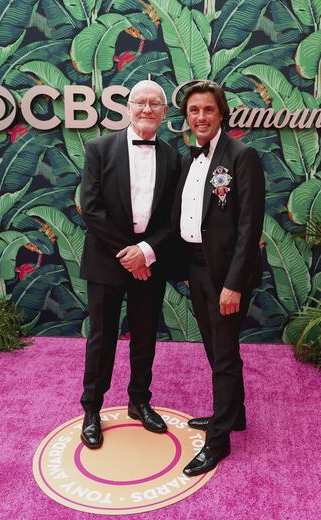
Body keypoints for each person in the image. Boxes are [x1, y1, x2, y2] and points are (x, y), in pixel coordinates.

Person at [80, 80, 180, 448]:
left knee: (144, 336)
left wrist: (147, 252)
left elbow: (173, 216)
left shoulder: (173, 157)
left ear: (165, 112)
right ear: (128, 106)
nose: (147, 109)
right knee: (102, 338)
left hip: (149, 263)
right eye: (141, 102)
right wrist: (129, 253)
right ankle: (92, 409)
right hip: (109, 260)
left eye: (156, 104)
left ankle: (139, 400)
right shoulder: (99, 148)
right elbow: (91, 209)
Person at [172, 80, 265, 475]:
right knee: (214, 348)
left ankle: (218, 441)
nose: (201, 117)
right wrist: (192, 271)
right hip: (196, 266)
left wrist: (233, 283)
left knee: (224, 354)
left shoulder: (241, 156)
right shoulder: (189, 158)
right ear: (187, 117)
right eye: (194, 110)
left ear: (221, 113)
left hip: (227, 274)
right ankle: (235, 414)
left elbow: (249, 226)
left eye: (208, 110)